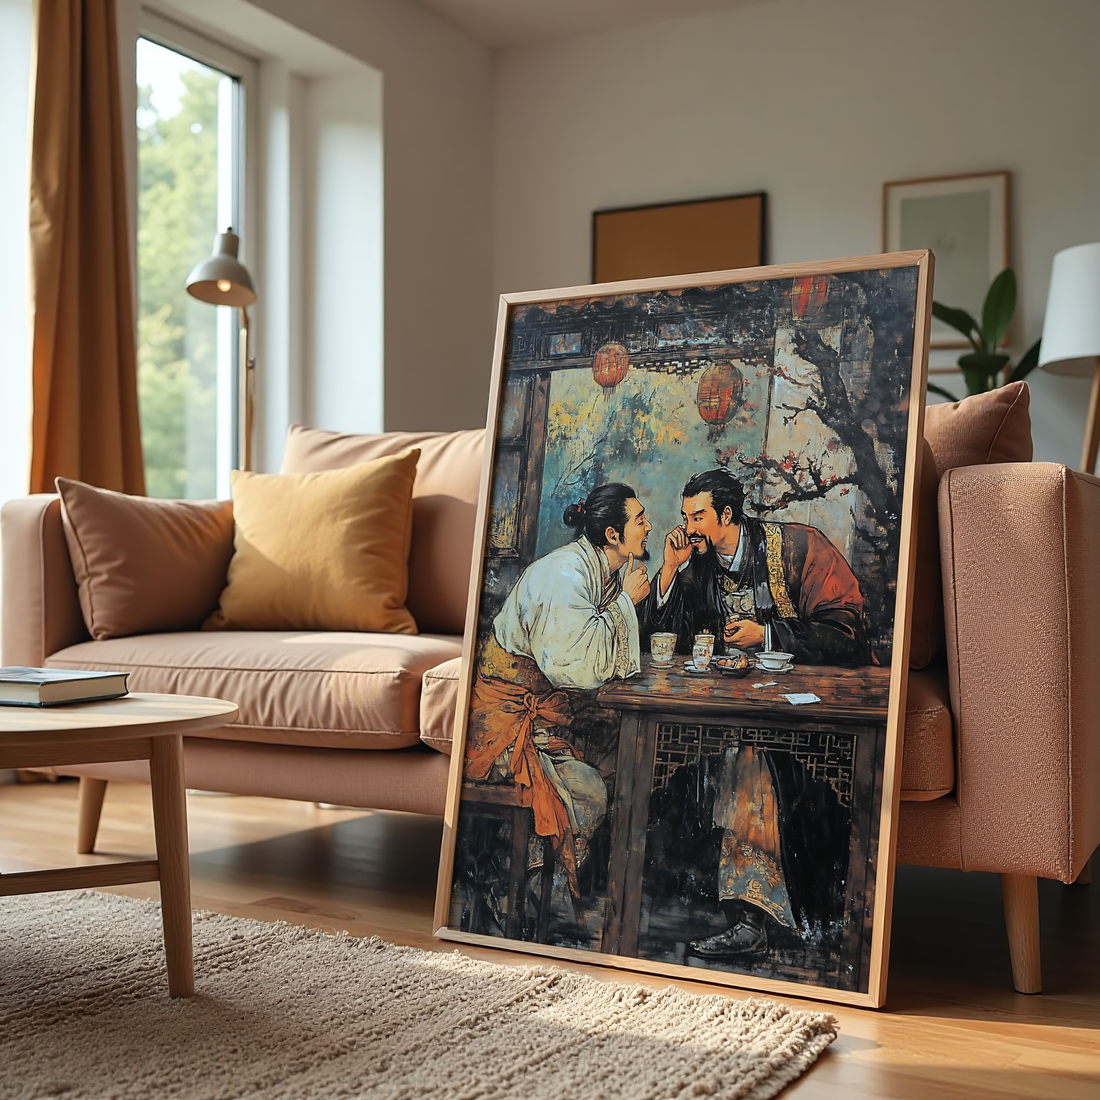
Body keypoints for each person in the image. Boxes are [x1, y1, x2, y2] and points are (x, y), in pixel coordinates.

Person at [643, 467, 867, 958]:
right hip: (732, 710)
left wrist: (765, 636)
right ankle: (694, 904)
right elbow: (662, 642)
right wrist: (669, 570)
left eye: (698, 516)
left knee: (753, 769)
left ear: (727, 514)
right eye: (685, 517)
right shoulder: (696, 563)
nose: (689, 527)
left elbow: (847, 633)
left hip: (812, 721)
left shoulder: (798, 547)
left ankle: (758, 918)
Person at [464, 483, 652, 903]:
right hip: (503, 720)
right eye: (640, 520)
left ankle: (535, 885)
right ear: (613, 535)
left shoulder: (602, 570)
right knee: (588, 788)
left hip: (543, 708)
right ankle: (519, 887)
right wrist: (626, 603)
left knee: (622, 752)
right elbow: (572, 666)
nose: (650, 527)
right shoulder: (566, 574)